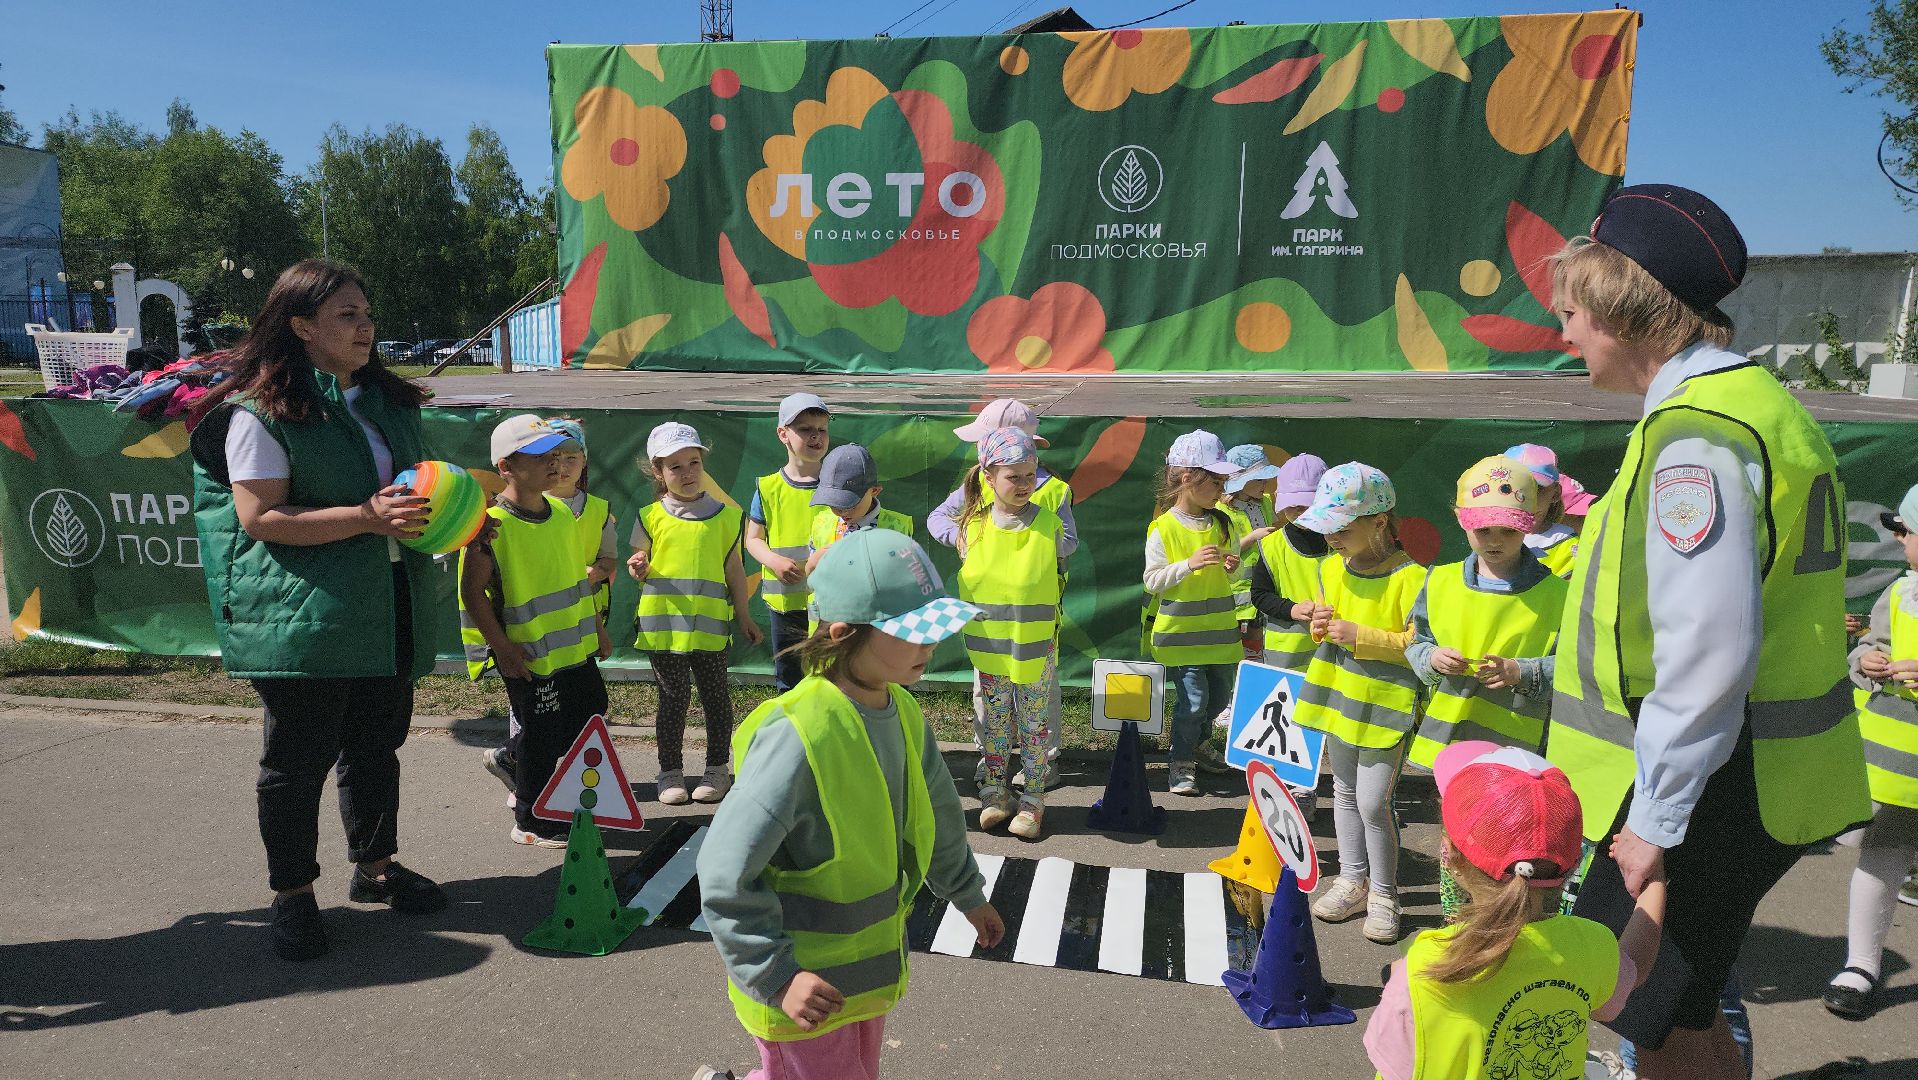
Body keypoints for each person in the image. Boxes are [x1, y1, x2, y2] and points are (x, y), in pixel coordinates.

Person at [1546, 185, 1871, 1080]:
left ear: (1620, 310)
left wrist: (1654, 821)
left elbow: (1707, 649)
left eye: (1571, 311)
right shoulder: (1742, 403)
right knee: (1667, 1009)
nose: (1564, 334)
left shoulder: (1696, 436)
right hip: (1729, 772)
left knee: (1657, 1009)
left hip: (1708, 782)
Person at [188, 259, 447, 962]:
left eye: (367, 314)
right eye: (345, 316)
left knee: (375, 747)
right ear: (300, 325)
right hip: (304, 613)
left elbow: (412, 494)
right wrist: (366, 517)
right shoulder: (262, 411)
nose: (364, 327)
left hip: (387, 599)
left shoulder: (387, 400)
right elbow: (261, 517)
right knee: (296, 763)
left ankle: (376, 868)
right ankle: (293, 894)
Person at [694, 529, 1005, 1080]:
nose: (930, 647)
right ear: (841, 634)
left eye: (934, 628)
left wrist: (966, 892)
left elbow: (936, 811)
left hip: (866, 976)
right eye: (911, 633)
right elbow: (723, 870)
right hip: (801, 984)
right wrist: (775, 975)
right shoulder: (798, 735)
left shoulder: (904, 712)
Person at [1364, 741, 1667, 1080]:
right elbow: (1636, 966)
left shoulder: (1422, 974)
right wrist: (1654, 880)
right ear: (1572, 864)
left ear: (1450, 857)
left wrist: (1405, 973)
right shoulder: (1592, 946)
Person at [1405, 456, 1567, 918]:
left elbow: (1572, 666)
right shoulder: (1438, 583)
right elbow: (1418, 643)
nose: (1495, 542)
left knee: (1517, 841)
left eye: (1508, 531)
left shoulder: (1557, 594)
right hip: (1454, 742)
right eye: (1484, 530)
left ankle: (1512, 921)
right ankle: (1459, 918)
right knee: (1457, 836)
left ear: (1529, 524)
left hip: (1521, 750)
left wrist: (1523, 672)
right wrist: (1432, 660)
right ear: (1462, 522)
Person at [1291, 462, 1428, 945]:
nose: (1332, 540)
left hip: (1385, 703)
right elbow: (1327, 631)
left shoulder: (1413, 579)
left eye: (1342, 529)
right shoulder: (1331, 567)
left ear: (1379, 522)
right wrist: (1319, 622)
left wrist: (1360, 636)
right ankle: (1352, 879)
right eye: (1328, 530)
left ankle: (1385, 894)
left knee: (1374, 802)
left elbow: (1419, 646)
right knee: (1344, 793)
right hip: (1338, 696)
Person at [459, 415, 608, 847]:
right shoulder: (490, 525)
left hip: (572, 648)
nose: (556, 464)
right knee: (542, 735)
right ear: (506, 466)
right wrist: (503, 649)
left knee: (591, 710)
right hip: (526, 655)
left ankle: (511, 758)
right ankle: (530, 822)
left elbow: (575, 580)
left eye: (560, 455)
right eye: (541, 456)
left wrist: (596, 628)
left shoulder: (561, 512)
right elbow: (473, 594)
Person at [929, 397, 1077, 782]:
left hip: (1035, 615)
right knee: (988, 689)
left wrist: (1037, 542)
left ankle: (1044, 761)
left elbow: (1068, 541)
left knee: (1041, 692)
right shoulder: (980, 481)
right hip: (992, 619)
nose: (1021, 484)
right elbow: (938, 518)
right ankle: (992, 762)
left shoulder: (1054, 491)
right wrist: (963, 538)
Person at [630, 422, 763, 805]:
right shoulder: (648, 516)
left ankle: (717, 770)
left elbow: (734, 570)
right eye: (675, 466)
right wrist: (638, 566)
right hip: (663, 630)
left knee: (715, 698)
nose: (687, 472)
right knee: (672, 699)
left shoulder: (726, 517)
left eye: (693, 462)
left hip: (709, 630)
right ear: (658, 472)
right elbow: (639, 563)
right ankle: (669, 774)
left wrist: (744, 616)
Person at [1824, 483, 1918, 1020]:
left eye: (1906, 533)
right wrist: (1870, 661)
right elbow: (1871, 646)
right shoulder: (1901, 592)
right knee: (1882, 856)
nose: (1901, 542)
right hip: (1898, 767)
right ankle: (1861, 964)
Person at [956, 428, 1071, 839]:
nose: (1025, 485)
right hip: (990, 650)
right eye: (1014, 477)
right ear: (988, 476)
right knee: (997, 722)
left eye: (1030, 475)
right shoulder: (970, 526)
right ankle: (995, 790)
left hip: (1035, 649)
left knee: (1035, 725)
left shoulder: (1049, 525)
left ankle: (1034, 796)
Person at [1143, 430, 1245, 795]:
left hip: (1220, 635)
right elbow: (1152, 581)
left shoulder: (1222, 522)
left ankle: (1198, 745)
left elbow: (1230, 567)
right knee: (1195, 702)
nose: (1221, 488)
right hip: (1183, 637)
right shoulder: (1163, 528)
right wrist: (1187, 564)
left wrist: (1232, 565)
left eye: (1222, 481)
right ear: (1187, 479)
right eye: (1214, 481)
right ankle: (1180, 761)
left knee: (1218, 700)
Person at [745, 394, 831, 692]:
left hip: (831, 607)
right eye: (806, 429)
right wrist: (775, 561)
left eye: (822, 429)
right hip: (787, 608)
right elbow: (753, 540)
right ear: (783, 434)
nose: (816, 436)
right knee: (790, 682)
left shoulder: (840, 486)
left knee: (829, 681)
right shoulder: (768, 488)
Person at [1248, 453, 1331, 676]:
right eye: (1292, 504)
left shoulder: (1342, 541)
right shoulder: (1271, 546)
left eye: (1307, 504)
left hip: (1334, 654)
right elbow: (1259, 595)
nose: (1300, 511)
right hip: (1286, 661)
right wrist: (1291, 609)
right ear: (1278, 497)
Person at [803, 443, 912, 576]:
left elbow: (905, 578)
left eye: (849, 504)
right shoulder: (821, 523)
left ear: (874, 490)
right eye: (833, 504)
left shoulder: (896, 528)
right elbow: (810, 580)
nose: (841, 511)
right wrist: (813, 563)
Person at [1220, 443, 1283, 661]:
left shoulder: (1265, 502)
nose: (1265, 484)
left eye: (1266, 478)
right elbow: (1221, 551)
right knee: (1238, 647)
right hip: (1237, 592)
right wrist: (1253, 537)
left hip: (1265, 586)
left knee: (1259, 645)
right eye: (1259, 479)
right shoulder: (1222, 510)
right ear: (1240, 481)